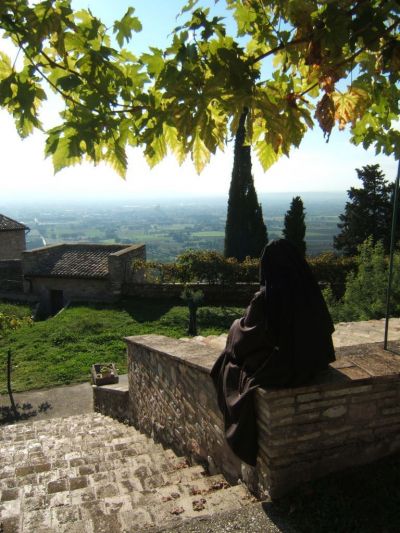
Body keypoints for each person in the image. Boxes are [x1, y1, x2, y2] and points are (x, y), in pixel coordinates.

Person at [210, 239, 335, 466]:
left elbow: (244, 341)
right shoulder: (308, 290)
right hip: (314, 362)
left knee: (226, 364)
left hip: (286, 368)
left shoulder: (266, 298)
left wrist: (236, 325)